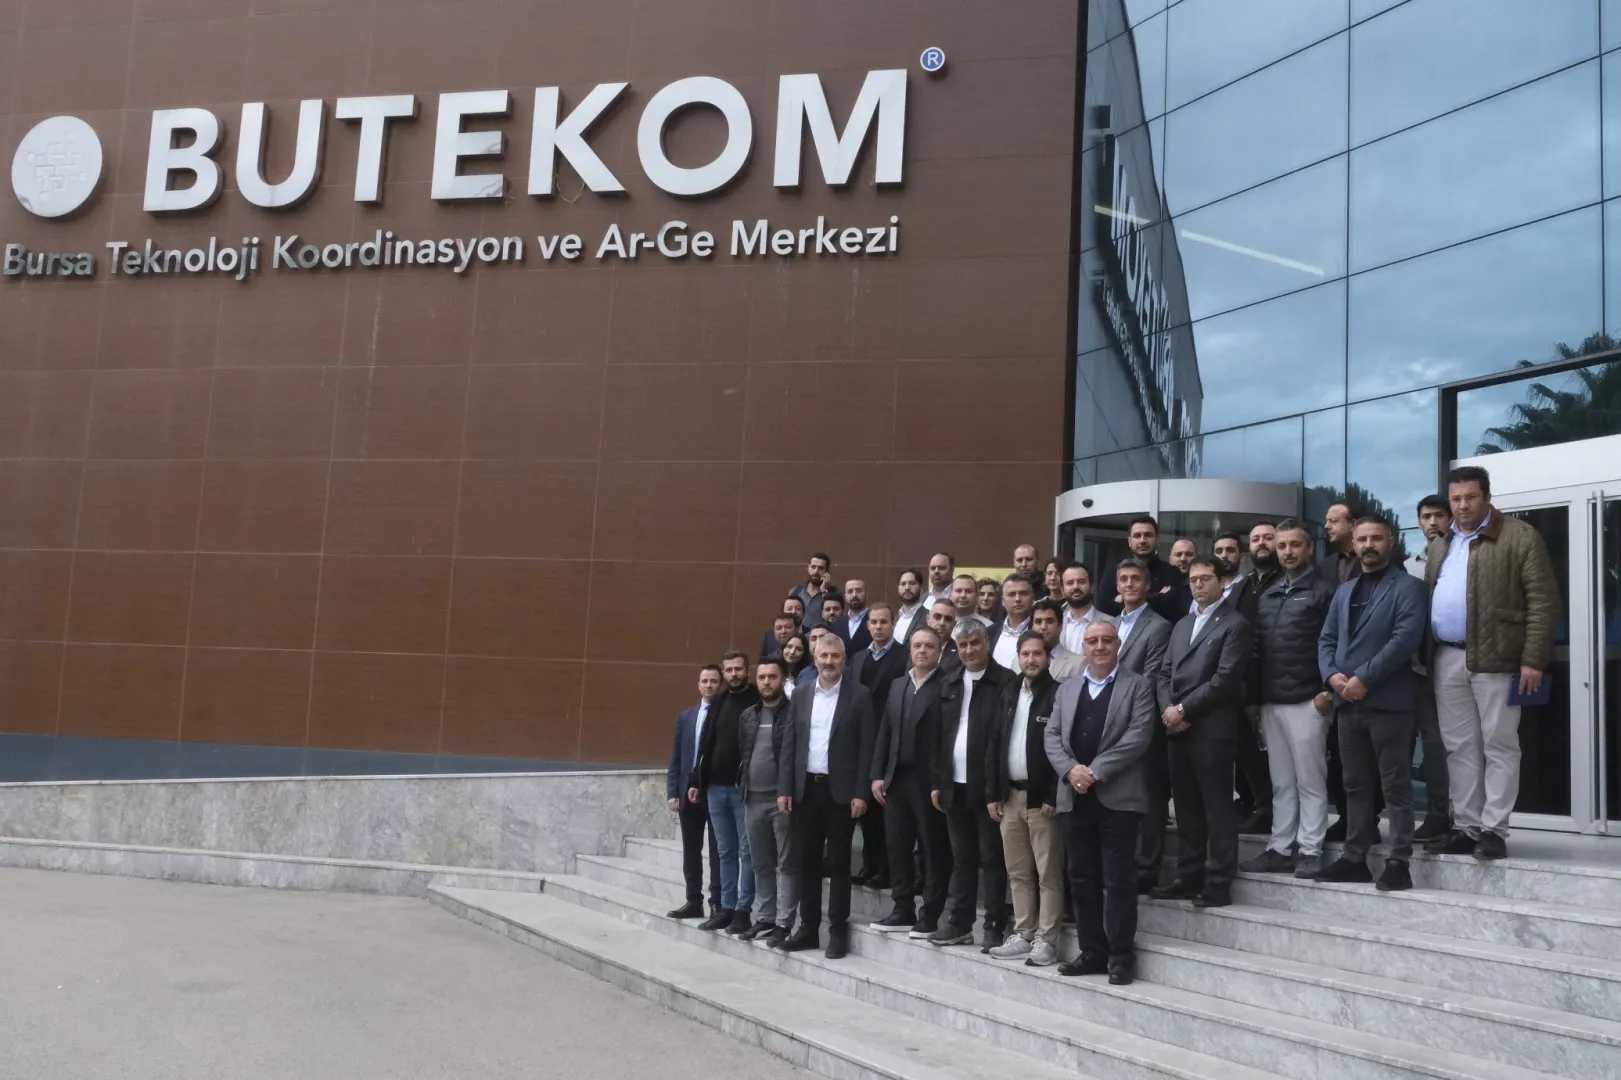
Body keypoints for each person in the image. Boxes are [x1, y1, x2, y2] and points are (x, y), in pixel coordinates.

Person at [1425, 465, 1559, 860]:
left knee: (1500, 745)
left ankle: (1494, 830)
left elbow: (1543, 601)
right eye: (1456, 499)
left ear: (1486, 496)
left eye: (1470, 497)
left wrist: (1533, 659)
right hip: (1447, 656)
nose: (1462, 505)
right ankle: (1467, 826)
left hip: (1499, 658)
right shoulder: (1442, 542)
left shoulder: (1519, 536)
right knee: (1459, 747)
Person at [1317, 518, 1430, 890]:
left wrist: (1364, 678)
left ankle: (1399, 861)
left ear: (1389, 542)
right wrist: (1332, 677)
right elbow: (1326, 640)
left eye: (1376, 538)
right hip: (1348, 705)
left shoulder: (1409, 587)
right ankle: (1355, 858)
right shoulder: (1345, 590)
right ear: (1353, 543)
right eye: (1362, 539)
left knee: (1395, 785)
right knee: (1354, 785)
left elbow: (1405, 638)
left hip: (1389, 702)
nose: (1369, 545)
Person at [1049, 621, 1158, 986]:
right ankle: (1092, 952)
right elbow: (1051, 735)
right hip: (1074, 798)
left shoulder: (1138, 686)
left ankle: (1121, 956)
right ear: (1084, 646)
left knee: (1119, 880)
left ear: (1118, 644)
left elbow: (1138, 736)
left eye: (1106, 640)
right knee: (1082, 879)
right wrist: (1070, 771)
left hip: (1118, 799)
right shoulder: (1067, 689)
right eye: (1092, 641)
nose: (1099, 647)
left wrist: (1093, 772)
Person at [1152, 555, 1252, 909]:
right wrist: (1168, 709)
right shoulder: (1182, 624)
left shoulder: (1235, 624)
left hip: (1211, 728)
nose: (1197, 584)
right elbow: (1164, 673)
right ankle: (1188, 875)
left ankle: (1219, 881)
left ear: (1222, 582)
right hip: (1177, 729)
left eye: (1205, 578)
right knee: (1186, 807)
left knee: (1217, 807)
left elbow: (1224, 679)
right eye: (1193, 579)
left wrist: (1183, 709)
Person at [1241, 520, 1337, 878]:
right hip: (1271, 703)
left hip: (1308, 700)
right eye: (1282, 546)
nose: (1287, 552)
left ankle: (1310, 849)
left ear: (1309, 548)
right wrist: (1253, 698)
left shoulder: (1325, 591)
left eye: (1295, 545)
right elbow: (1257, 650)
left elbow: (1334, 643)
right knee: (1281, 782)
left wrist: (1327, 693)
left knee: (1310, 781)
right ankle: (1280, 848)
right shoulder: (1267, 595)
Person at [776, 633, 874, 958]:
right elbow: (790, 743)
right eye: (824, 656)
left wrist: (861, 792)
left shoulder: (860, 696)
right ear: (815, 658)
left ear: (844, 659)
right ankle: (808, 928)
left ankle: (837, 930)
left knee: (839, 862)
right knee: (807, 861)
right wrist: (785, 788)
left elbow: (866, 749)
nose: (829, 661)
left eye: (835, 656)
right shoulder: (802, 693)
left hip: (842, 793)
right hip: (806, 790)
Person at [930, 622, 1012, 949]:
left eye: (974, 643)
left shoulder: (1005, 681)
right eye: (962, 645)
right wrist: (938, 782)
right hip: (954, 785)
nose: (968, 650)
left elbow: (1004, 740)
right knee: (962, 857)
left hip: (988, 788)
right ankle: (960, 923)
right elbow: (939, 736)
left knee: (992, 857)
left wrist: (997, 789)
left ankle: (993, 924)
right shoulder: (949, 681)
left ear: (986, 642)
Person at [985, 630, 1064, 966]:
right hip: (1010, 796)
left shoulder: (1058, 694)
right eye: (1025, 654)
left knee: (1047, 872)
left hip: (1041, 799)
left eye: (1037, 653)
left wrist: (1053, 794)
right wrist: (993, 792)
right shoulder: (1008, 692)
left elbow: (1063, 747)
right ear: (1018, 657)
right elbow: (994, 744)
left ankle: (1046, 939)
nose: (1031, 659)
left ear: (1047, 657)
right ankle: (1023, 932)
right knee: (1017, 871)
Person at [869, 627, 953, 939]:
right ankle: (902, 908)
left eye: (929, 646)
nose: (922, 651)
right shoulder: (898, 684)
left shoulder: (947, 685)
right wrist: (878, 773)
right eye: (917, 645)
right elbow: (885, 732)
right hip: (896, 779)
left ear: (939, 650)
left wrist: (940, 780)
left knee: (933, 848)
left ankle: (930, 914)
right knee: (897, 847)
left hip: (928, 782)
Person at [1112, 558, 1174, 894]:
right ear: (1117, 586)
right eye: (1123, 579)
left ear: (1147, 586)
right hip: (1108, 727)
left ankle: (1148, 869)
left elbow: (1150, 680)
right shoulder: (1109, 625)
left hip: (1141, 725)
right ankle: (1123, 865)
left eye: (1136, 578)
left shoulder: (1158, 627)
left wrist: (1118, 712)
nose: (1129, 584)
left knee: (1149, 800)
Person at [688, 652, 762, 933]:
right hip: (715, 790)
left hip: (744, 790)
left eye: (738, 669)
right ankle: (726, 908)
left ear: (747, 670)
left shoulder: (757, 700)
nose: (733, 674)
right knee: (724, 851)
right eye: (729, 670)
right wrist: (696, 781)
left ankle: (744, 910)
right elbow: (706, 744)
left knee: (747, 852)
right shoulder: (718, 702)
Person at [737, 659, 799, 945]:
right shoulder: (748, 716)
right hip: (752, 800)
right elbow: (745, 754)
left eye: (772, 676)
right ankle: (765, 918)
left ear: (783, 679)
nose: (766, 682)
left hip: (782, 801)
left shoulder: (794, 713)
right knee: (760, 863)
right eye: (761, 677)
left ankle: (784, 923)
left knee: (786, 863)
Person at [849, 602, 906, 888]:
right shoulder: (858, 658)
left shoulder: (905, 656)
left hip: (890, 739)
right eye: (874, 622)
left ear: (892, 623)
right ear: (867, 625)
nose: (878, 627)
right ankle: (870, 864)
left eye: (884, 621)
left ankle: (887, 869)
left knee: (886, 809)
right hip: (861, 740)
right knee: (867, 810)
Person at [664, 664, 723, 920]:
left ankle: (717, 902)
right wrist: (673, 791)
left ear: (720, 685)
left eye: (713, 681)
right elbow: (677, 757)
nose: (709, 685)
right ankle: (693, 900)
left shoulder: (724, 714)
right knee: (691, 849)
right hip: (687, 793)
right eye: (705, 681)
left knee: (718, 850)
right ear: (698, 684)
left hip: (715, 790)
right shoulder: (687, 716)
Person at [1411, 494, 1454, 841]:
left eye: (1439, 515)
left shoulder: (1460, 559)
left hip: (1451, 664)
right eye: (1426, 517)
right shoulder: (1408, 566)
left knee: (1443, 745)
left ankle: (1446, 813)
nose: (1433, 522)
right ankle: (1429, 813)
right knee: (1421, 745)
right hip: (1411, 670)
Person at [1098, 516, 1183, 621]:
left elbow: (1173, 608)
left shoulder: (1171, 572)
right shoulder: (1113, 572)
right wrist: (1157, 596)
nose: (1142, 540)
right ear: (1129, 541)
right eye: (1137, 536)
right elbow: (1104, 609)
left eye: (1148, 535)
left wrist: (1124, 598)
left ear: (1157, 540)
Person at [1059, 563, 1112, 655]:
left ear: (1092, 587)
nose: (1076, 587)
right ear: (1062, 591)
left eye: (1081, 582)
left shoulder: (1111, 623)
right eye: (1070, 583)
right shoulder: (1055, 623)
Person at [990, 574, 1035, 670]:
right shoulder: (990, 632)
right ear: (1003, 601)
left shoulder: (1040, 630)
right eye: (1011, 594)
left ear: (1032, 598)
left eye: (1023, 593)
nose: (1017, 599)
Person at [1031, 598, 1082, 681]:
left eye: (1049, 621)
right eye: (1038, 622)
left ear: (1060, 626)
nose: (1043, 627)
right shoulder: (1020, 660)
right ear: (1032, 627)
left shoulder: (1078, 664)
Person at [790, 554, 835, 629]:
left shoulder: (834, 593)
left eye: (821, 568)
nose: (816, 571)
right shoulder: (796, 591)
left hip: (822, 635)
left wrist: (824, 591)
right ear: (808, 568)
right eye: (813, 567)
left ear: (827, 572)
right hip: (799, 635)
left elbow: (834, 619)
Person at [1325, 503, 1359, 584]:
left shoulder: (1371, 559)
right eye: (1327, 521)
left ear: (1353, 524)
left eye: (1333, 521)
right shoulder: (1325, 565)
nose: (1326, 526)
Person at [893, 568, 928, 643]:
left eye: (912, 583)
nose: (907, 588)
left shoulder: (928, 617)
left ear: (921, 588)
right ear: (898, 589)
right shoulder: (895, 618)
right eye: (903, 584)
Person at [838, 579, 872, 652]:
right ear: (845, 596)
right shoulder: (837, 625)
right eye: (850, 591)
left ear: (866, 594)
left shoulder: (875, 621)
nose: (854, 595)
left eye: (859, 591)